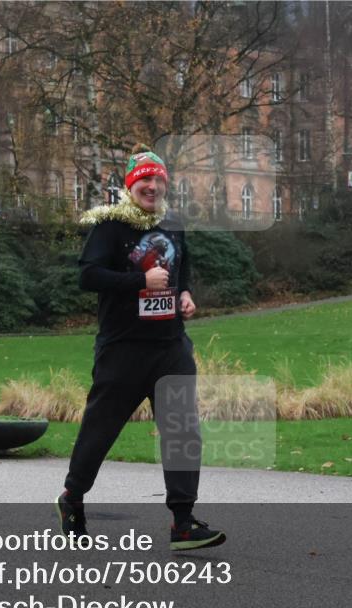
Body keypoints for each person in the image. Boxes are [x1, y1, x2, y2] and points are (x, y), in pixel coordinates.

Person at [55, 144, 225, 552]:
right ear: (131, 185)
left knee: (183, 432)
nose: (152, 186)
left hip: (170, 347)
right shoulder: (111, 226)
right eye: (144, 180)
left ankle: (183, 523)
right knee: (101, 430)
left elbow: (182, 269)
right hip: (123, 349)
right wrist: (138, 283)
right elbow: (88, 276)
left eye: (158, 179)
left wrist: (184, 294)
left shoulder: (173, 225)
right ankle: (72, 497)